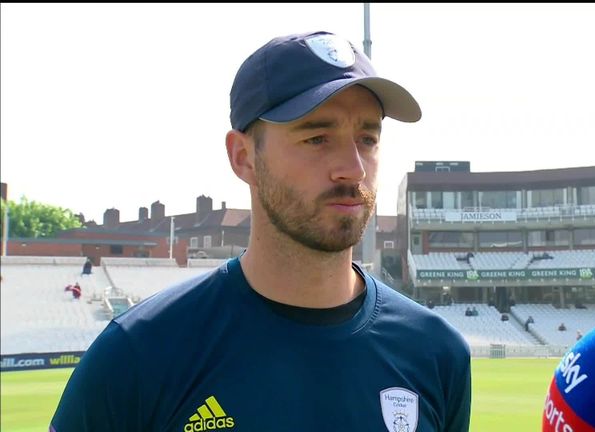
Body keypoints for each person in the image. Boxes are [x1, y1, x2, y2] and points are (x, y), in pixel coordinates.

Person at [50, 31, 471, 431]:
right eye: (318, 138)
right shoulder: (139, 353)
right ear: (243, 157)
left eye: (367, 138)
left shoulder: (437, 353)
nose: (353, 168)